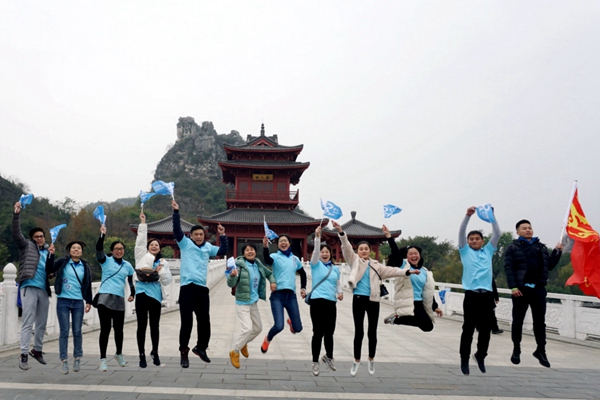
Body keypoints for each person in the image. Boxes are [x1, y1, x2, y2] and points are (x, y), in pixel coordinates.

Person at [332, 221, 412, 377]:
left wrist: (407, 272)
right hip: (359, 299)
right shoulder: (354, 261)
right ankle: (356, 361)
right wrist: (341, 232)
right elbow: (346, 247)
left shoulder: (377, 265)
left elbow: (392, 271)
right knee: (359, 331)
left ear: (370, 251)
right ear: (358, 251)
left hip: (373, 301)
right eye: (361, 249)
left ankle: (371, 359)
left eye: (366, 249)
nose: (363, 251)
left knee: (372, 331)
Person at [171, 200, 228, 367]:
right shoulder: (185, 244)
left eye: (201, 234)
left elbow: (223, 251)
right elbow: (176, 230)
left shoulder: (208, 247)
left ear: (204, 236)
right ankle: (184, 351)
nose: (198, 236)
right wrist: (176, 212)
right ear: (191, 236)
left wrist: (222, 235)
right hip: (187, 288)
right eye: (195, 234)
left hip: (202, 289)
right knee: (187, 322)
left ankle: (201, 348)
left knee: (204, 321)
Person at [504, 219, 562, 368]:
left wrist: (557, 252)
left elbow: (549, 266)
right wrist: (513, 287)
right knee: (518, 321)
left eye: (529, 228)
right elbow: (509, 269)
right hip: (521, 290)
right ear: (518, 232)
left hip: (538, 289)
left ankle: (541, 350)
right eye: (524, 228)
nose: (528, 230)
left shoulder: (540, 247)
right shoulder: (513, 248)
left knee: (540, 322)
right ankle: (516, 348)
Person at [457, 206, 501, 375]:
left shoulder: (488, 251)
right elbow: (461, 231)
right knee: (468, 329)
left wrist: (491, 216)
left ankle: (480, 355)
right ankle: (464, 358)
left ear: (482, 241)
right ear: (467, 242)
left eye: (477, 239)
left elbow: (497, 233)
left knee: (486, 329)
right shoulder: (465, 251)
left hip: (487, 296)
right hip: (471, 296)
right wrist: (467, 216)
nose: (474, 241)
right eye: (471, 239)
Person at [12, 201, 52, 370]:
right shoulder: (26, 246)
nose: (39, 239)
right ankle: (23, 353)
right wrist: (16, 214)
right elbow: (16, 233)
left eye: (41, 236)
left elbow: (50, 270)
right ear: (32, 238)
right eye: (36, 237)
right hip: (28, 286)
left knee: (42, 322)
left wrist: (52, 270)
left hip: (43, 289)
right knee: (28, 321)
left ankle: (37, 350)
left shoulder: (48, 251)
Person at [46, 241, 93, 374]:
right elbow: (50, 269)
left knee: (77, 331)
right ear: (69, 250)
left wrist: (88, 301)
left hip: (78, 301)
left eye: (78, 248)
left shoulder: (85, 266)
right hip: (63, 301)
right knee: (64, 331)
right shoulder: (63, 262)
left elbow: (88, 284)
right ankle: (64, 360)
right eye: (73, 248)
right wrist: (51, 255)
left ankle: (77, 357)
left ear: (81, 251)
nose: (76, 250)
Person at [227, 244, 276, 369]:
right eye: (247, 250)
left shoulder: (258, 264)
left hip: (253, 302)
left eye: (252, 250)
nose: (250, 252)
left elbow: (269, 273)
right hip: (242, 302)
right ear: (243, 253)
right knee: (247, 329)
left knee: (258, 328)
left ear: (255, 251)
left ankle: (243, 343)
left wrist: (272, 281)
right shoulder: (239, 265)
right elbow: (230, 283)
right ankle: (235, 351)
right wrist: (232, 276)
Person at [134, 212, 173, 368]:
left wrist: (160, 270)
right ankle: (141, 354)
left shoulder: (163, 262)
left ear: (160, 248)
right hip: (141, 293)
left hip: (155, 295)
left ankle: (155, 352)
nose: (154, 246)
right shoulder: (141, 256)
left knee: (154, 326)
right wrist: (143, 224)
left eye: (157, 245)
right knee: (141, 325)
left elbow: (167, 280)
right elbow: (140, 242)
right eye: (152, 244)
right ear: (148, 247)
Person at [96, 225, 135, 372]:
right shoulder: (106, 260)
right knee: (105, 329)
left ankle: (118, 353)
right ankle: (102, 358)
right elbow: (99, 249)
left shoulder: (127, 265)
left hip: (119, 298)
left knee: (119, 329)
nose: (119, 251)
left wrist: (132, 293)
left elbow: (131, 280)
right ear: (112, 251)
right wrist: (102, 235)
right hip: (105, 297)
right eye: (117, 249)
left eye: (121, 248)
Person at [383, 235, 443, 331]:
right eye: (410, 254)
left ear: (419, 255)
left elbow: (428, 291)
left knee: (428, 326)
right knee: (427, 325)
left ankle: (396, 319)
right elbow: (395, 252)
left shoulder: (425, 271)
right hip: (408, 300)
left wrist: (435, 307)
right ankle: (397, 319)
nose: (413, 256)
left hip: (419, 302)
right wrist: (390, 238)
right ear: (406, 256)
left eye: (416, 253)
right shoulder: (404, 266)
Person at [260, 233, 307, 353]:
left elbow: (303, 274)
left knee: (298, 328)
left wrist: (303, 288)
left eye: (285, 241)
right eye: (281, 241)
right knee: (279, 326)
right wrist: (265, 247)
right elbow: (267, 260)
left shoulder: (295, 259)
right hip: (277, 296)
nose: (283, 243)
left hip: (291, 296)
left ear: (290, 243)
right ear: (278, 244)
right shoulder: (275, 257)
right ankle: (268, 339)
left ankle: (292, 323)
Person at [308, 226, 343, 376]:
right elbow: (315, 252)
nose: (324, 253)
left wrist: (340, 293)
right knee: (318, 332)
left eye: (327, 252)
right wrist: (317, 238)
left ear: (330, 254)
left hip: (331, 302)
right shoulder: (315, 264)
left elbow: (337, 283)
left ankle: (329, 357)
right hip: (317, 301)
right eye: (322, 251)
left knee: (329, 332)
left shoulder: (335, 269)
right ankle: (315, 362)